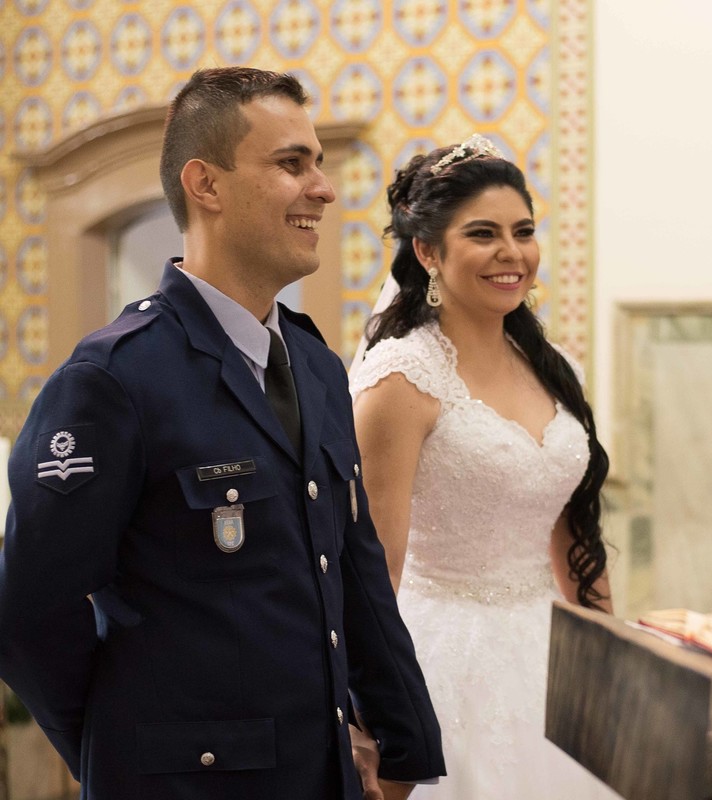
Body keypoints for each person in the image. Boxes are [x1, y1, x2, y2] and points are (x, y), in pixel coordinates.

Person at [0, 67, 444, 800]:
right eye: (290, 164)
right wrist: (125, 756)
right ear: (205, 184)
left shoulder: (317, 364)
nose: (323, 189)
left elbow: (356, 575)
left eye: (318, 164)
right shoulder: (115, 379)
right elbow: (27, 617)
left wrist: (404, 746)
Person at [349, 135, 618, 799]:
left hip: (552, 654)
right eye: (483, 234)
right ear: (428, 251)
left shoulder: (556, 370)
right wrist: (367, 715)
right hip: (442, 659)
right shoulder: (401, 378)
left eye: (523, 231)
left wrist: (615, 667)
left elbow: (576, 538)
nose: (511, 253)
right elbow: (373, 564)